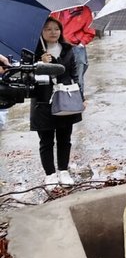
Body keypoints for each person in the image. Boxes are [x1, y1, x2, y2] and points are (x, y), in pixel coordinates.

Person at [31, 17, 83, 186]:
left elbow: (74, 74)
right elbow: (28, 77)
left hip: (65, 97)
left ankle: (63, 170)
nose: (53, 32)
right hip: (43, 100)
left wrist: (81, 96)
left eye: (56, 29)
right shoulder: (34, 51)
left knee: (64, 138)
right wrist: (39, 63)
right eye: (48, 29)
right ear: (41, 32)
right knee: (46, 140)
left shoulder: (68, 49)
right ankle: (50, 174)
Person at [52, 5, 95, 94]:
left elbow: (90, 31)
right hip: (59, 46)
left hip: (76, 47)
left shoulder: (84, 10)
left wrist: (81, 44)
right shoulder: (57, 10)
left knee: (78, 78)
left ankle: (78, 101)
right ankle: (62, 101)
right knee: (60, 77)